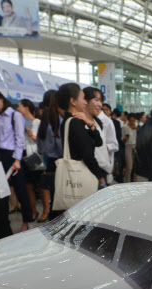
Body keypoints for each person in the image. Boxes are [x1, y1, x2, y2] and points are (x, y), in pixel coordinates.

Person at [48, 83, 107, 216]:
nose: (85, 102)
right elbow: (87, 154)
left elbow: (98, 142)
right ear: (73, 101)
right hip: (82, 173)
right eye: (83, 98)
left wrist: (90, 123)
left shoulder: (71, 121)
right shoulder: (75, 122)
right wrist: (101, 178)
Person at [0, 88, 33, 232]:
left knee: (21, 190)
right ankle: (3, 224)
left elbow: (20, 139)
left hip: (12, 156)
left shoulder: (15, 115)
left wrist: (17, 159)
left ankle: (27, 221)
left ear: (1, 98)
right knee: (1, 192)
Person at [36, 90, 64, 221]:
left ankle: (50, 220)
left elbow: (40, 147)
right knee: (60, 197)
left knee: (53, 195)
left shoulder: (44, 120)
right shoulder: (58, 119)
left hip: (49, 161)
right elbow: (59, 145)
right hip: (60, 161)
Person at [83, 88, 119, 184]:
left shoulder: (100, 122)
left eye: (101, 101)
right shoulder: (80, 122)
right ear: (85, 100)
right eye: (96, 100)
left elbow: (105, 146)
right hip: (89, 172)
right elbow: (91, 153)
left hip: (102, 170)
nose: (100, 104)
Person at [17, 99, 42, 222]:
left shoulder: (37, 122)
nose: (18, 109)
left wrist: (32, 136)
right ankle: (33, 211)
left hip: (34, 156)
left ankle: (45, 210)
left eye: (19, 106)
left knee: (40, 185)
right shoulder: (18, 121)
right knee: (28, 186)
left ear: (26, 107)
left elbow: (41, 141)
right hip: (23, 154)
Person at [123, 113, 138, 181]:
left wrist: (137, 130)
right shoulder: (125, 127)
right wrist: (127, 136)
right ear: (128, 120)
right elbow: (123, 141)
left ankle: (135, 182)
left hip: (135, 146)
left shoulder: (137, 126)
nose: (132, 122)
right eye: (131, 121)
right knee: (129, 167)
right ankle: (127, 181)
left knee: (136, 167)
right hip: (128, 146)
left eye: (134, 121)